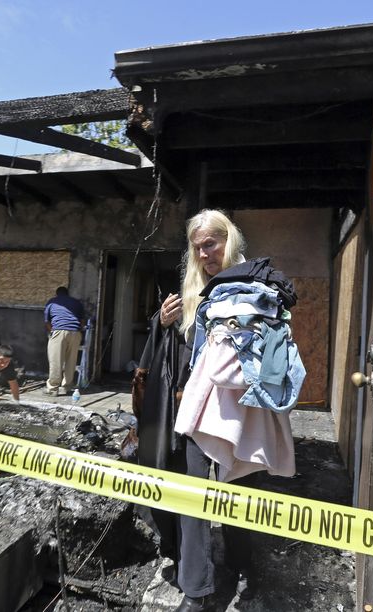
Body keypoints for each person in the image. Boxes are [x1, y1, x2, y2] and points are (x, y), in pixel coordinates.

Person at [155, 210, 304, 612]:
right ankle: (197, 589)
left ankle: (242, 564)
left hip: (246, 411)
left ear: (228, 240)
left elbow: (274, 346)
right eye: (197, 247)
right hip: (198, 409)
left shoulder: (257, 284)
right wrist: (164, 324)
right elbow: (180, 358)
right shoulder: (190, 293)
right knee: (193, 495)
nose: (205, 254)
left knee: (241, 496)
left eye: (211, 244)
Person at [43, 287, 85, 396]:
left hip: (59, 331)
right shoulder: (76, 302)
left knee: (56, 361)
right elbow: (82, 321)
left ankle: (53, 389)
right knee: (71, 361)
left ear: (57, 294)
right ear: (68, 294)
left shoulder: (52, 302)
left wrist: (52, 331)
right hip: (75, 333)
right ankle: (66, 387)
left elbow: (47, 322)